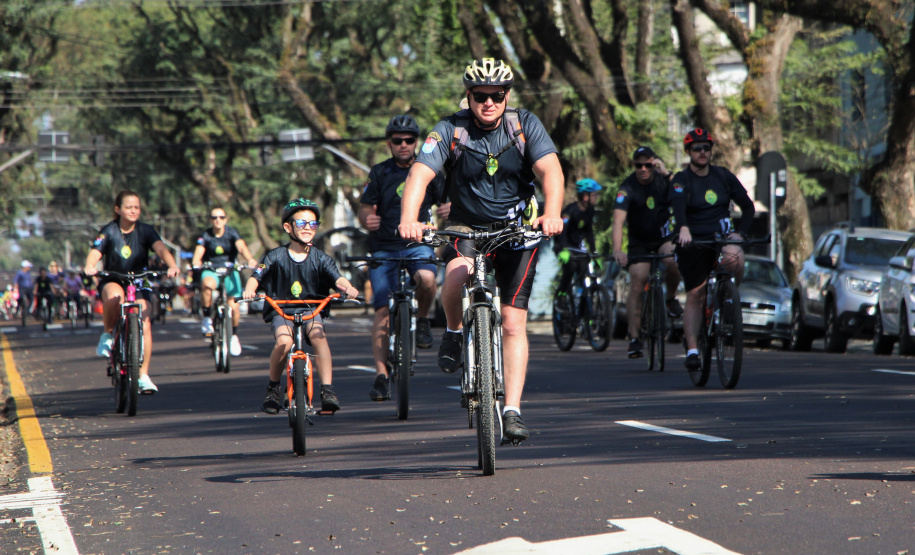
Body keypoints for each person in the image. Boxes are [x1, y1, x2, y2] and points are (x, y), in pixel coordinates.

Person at [398, 58, 565, 443]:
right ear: (468, 96)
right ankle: (455, 330)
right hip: (465, 226)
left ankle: (512, 410)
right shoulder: (450, 129)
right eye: (480, 96)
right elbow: (419, 174)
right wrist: (410, 218)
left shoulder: (524, 125)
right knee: (457, 275)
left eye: (497, 95)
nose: (488, 103)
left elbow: (551, 171)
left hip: (515, 230)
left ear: (507, 95)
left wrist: (552, 213)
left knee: (512, 323)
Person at [242, 198, 359, 415]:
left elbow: (338, 279)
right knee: (284, 343)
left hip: (310, 310)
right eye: (302, 223)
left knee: (318, 335)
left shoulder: (321, 258)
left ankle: (327, 391)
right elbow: (255, 277)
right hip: (282, 312)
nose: (308, 228)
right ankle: (273, 388)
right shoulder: (275, 256)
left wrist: (348, 287)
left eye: (313, 224)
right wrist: (250, 289)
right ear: (288, 227)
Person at [358, 115, 446, 402]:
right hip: (384, 247)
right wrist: (367, 219)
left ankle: (422, 319)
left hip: (418, 244)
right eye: (398, 141)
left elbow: (447, 202)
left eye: (409, 140)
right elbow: (364, 210)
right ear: (389, 144)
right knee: (383, 310)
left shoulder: (429, 170)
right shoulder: (379, 172)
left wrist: (448, 210)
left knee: (428, 278)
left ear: (417, 142)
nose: (404, 145)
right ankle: (381, 375)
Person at [669, 129, 755, 370]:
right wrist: (683, 228)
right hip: (693, 243)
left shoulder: (723, 176)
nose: (703, 152)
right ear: (688, 152)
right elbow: (677, 208)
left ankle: (728, 299)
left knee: (735, 257)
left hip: (720, 238)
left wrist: (742, 233)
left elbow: (748, 208)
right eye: (697, 148)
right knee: (695, 295)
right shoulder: (680, 180)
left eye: (706, 147)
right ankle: (693, 349)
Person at [84, 190, 181, 394]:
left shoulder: (146, 231)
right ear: (118, 209)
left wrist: (172, 265)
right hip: (114, 277)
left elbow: (162, 250)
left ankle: (143, 375)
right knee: (113, 297)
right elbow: (95, 252)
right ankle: (108, 335)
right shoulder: (108, 231)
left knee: (144, 322)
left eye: (136, 207)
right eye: (129, 207)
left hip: (139, 280)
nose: (133, 211)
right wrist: (90, 265)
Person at [611, 146, 684, 358]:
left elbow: (682, 191)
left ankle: (670, 297)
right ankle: (634, 339)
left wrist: (666, 172)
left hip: (663, 238)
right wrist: (617, 250)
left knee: (673, 260)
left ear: (654, 164)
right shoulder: (627, 188)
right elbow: (618, 221)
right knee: (638, 279)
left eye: (648, 164)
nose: (643, 169)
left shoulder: (663, 180)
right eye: (638, 165)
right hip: (639, 242)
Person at [191, 207, 258, 356]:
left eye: (221, 217)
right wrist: (196, 262)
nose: (218, 220)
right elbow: (199, 251)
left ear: (226, 219)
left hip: (229, 270)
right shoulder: (206, 235)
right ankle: (207, 318)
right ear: (210, 220)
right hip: (211, 269)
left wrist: (250, 259)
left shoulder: (231, 233)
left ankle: (233, 335)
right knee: (207, 286)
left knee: (234, 307)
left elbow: (241, 246)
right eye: (214, 217)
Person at [554, 178, 602, 297]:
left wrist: (594, 251)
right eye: (594, 194)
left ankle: (584, 312)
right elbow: (562, 232)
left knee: (584, 270)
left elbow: (589, 232)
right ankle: (561, 295)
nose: (597, 197)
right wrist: (564, 249)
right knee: (571, 267)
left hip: (577, 247)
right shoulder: (570, 211)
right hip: (563, 246)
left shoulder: (589, 210)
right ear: (585, 197)